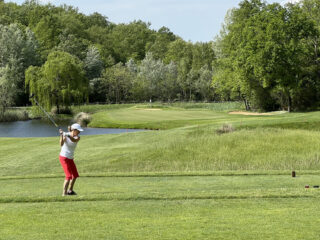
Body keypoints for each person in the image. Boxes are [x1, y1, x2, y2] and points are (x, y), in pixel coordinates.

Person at [59, 123, 83, 196]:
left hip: (70, 158)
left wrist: (67, 134)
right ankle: (64, 194)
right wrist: (62, 135)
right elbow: (61, 144)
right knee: (68, 176)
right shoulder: (66, 134)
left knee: (75, 175)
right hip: (64, 157)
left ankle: (70, 191)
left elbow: (73, 140)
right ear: (74, 130)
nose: (79, 132)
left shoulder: (77, 137)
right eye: (78, 131)